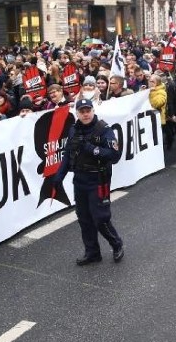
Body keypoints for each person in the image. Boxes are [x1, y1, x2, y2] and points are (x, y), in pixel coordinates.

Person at [52, 99, 124, 266]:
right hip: (79, 180)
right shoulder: (74, 130)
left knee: (100, 217)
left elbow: (114, 156)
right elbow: (68, 155)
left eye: (88, 110)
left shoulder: (103, 129)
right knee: (84, 218)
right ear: (77, 113)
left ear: (92, 111)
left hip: (98, 180)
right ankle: (92, 252)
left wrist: (91, 148)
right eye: (82, 111)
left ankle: (116, 244)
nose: (85, 114)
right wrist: (59, 176)